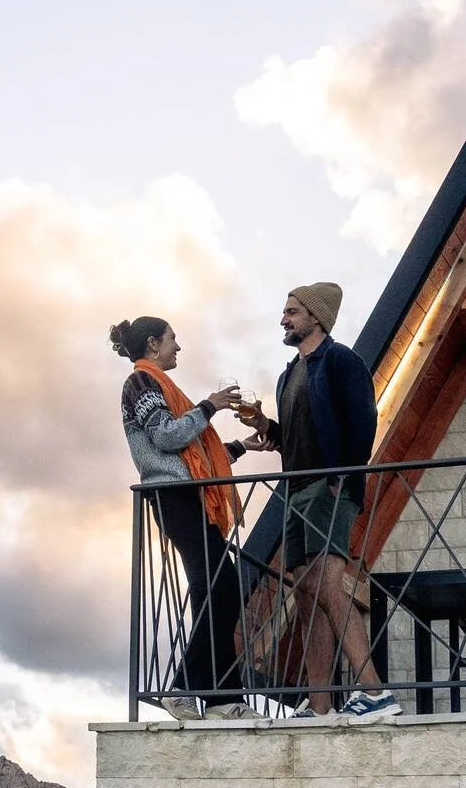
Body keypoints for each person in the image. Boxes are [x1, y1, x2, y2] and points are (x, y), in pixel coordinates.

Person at [239, 283, 400, 722]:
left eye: (292, 311)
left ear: (316, 316)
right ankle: (322, 704)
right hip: (295, 492)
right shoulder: (287, 374)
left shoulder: (342, 361)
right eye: (284, 311)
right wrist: (264, 427)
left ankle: (375, 693)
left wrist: (340, 478)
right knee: (307, 596)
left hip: (329, 490)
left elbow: (363, 423)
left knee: (327, 583)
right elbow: (295, 438)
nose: (283, 319)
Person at [110, 317, 250, 721]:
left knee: (218, 590)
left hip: (188, 496)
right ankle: (186, 688)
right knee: (221, 588)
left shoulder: (156, 384)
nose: (178, 347)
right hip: (175, 498)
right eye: (173, 339)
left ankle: (223, 697)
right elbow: (168, 437)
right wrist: (210, 406)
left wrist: (239, 446)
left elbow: (191, 454)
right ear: (153, 344)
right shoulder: (140, 383)